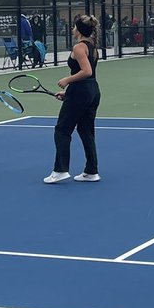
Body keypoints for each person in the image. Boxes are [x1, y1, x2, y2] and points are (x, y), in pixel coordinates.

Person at [43, 14, 102, 183]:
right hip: (91, 92)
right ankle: (92, 171)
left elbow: (87, 71)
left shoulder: (79, 47)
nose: (72, 29)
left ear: (79, 30)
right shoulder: (93, 47)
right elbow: (89, 77)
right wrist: (69, 93)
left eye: (74, 27)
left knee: (62, 130)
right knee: (86, 131)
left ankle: (60, 170)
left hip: (81, 91)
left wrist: (67, 81)